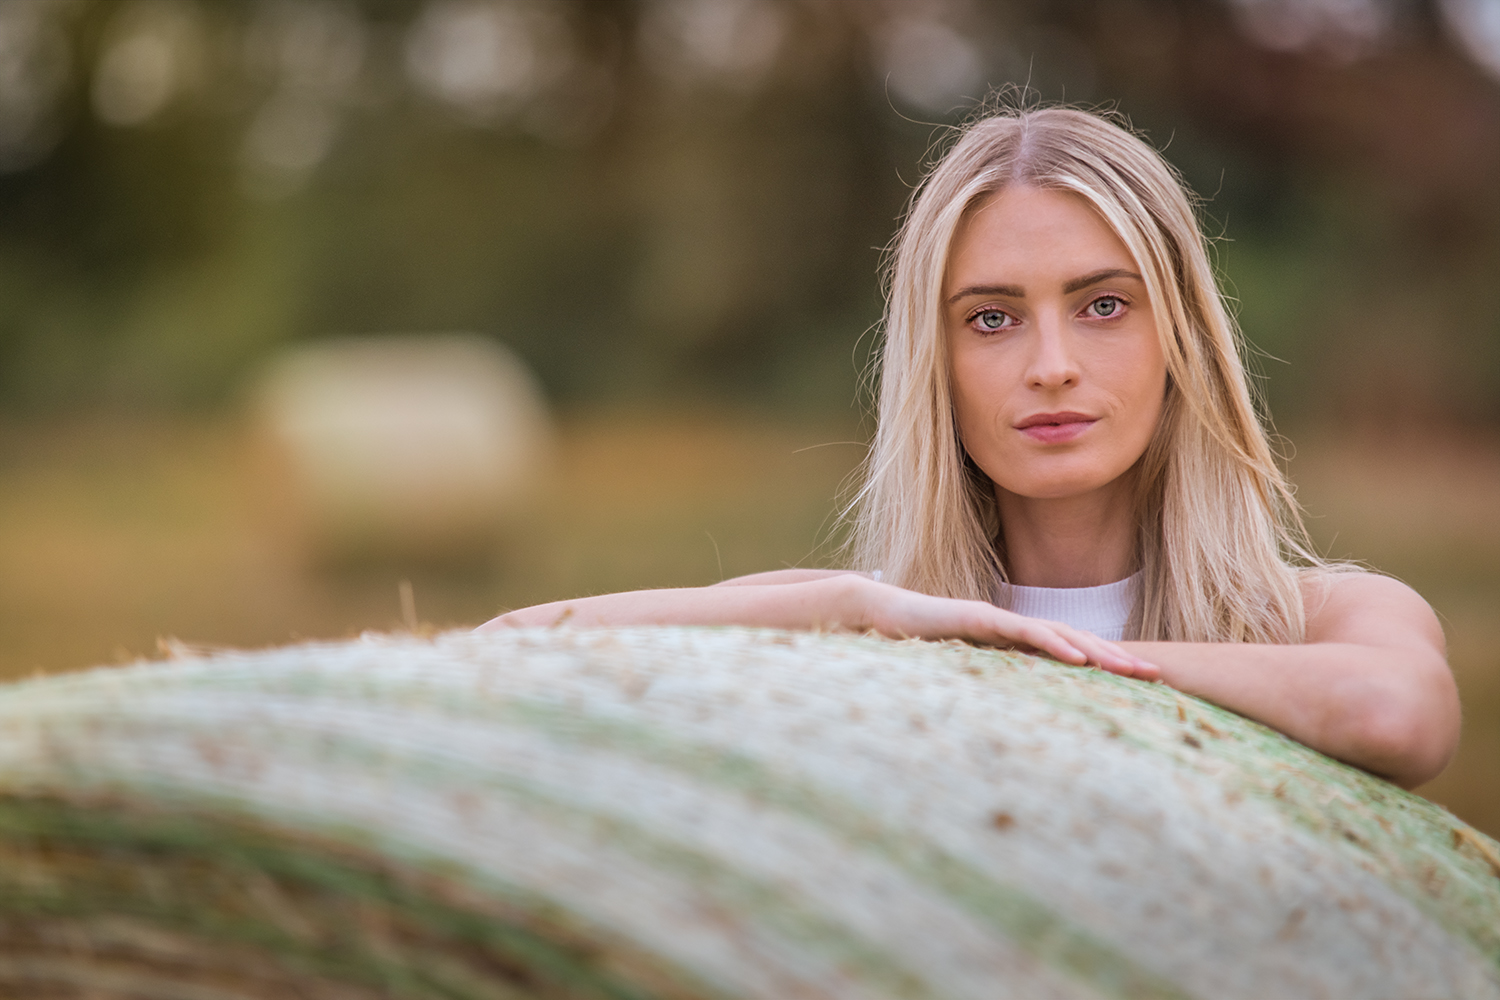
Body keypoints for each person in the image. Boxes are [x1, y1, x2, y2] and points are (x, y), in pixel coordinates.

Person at [479, 106, 1459, 790]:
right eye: (992, 320)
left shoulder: (1322, 615)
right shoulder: (869, 625)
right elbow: (509, 647)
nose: (1052, 364)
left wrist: (1056, 668)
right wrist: (850, 604)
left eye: (1104, 305)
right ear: (934, 365)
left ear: (1183, 339)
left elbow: (1395, 717)